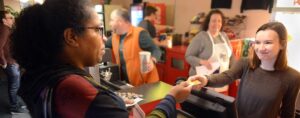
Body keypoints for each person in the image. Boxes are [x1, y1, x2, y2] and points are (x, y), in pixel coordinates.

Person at [11, 0, 192, 117]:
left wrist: (113, 103)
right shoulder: (74, 88)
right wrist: (171, 98)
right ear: (71, 37)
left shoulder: (43, 75)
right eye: (98, 30)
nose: (104, 38)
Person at [188, 22, 300, 118]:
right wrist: (205, 79)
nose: (260, 48)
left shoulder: (292, 77)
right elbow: (227, 76)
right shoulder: (245, 64)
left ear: (282, 44)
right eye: (258, 42)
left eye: (268, 42)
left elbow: (288, 113)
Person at [105, 8, 161, 86]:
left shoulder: (140, 34)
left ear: (119, 21)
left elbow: (156, 49)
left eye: (112, 20)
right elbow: (104, 46)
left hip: (146, 84)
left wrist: (153, 60)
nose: (110, 23)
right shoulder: (114, 37)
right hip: (127, 84)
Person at [185, 9, 233, 92]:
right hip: (201, 83)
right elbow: (188, 56)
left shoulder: (224, 36)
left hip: (221, 82)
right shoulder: (201, 37)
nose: (217, 24)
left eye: (219, 21)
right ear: (208, 23)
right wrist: (202, 61)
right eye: (213, 21)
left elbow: (231, 57)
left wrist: (237, 71)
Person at [0, 10, 27, 113]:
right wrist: (4, 62)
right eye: (10, 18)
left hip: (12, 62)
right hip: (10, 63)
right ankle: (14, 107)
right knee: (14, 86)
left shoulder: (6, 28)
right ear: (4, 20)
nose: (13, 19)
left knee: (15, 85)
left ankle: (15, 103)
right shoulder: (4, 29)